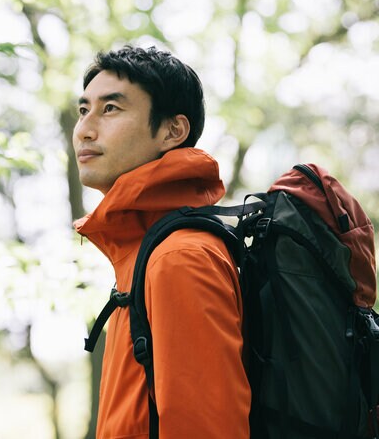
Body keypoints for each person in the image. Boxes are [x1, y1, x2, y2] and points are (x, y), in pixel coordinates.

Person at [73, 46, 250, 438]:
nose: (85, 129)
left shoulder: (180, 258)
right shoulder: (145, 252)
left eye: (111, 109)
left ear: (173, 131)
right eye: (83, 110)